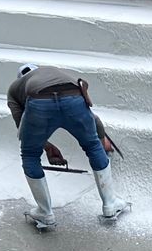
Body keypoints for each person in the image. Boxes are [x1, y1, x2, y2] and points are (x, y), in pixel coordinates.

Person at [7, 64, 128, 230]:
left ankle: (45, 213)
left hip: (39, 103)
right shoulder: (54, 72)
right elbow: (95, 120)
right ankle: (110, 205)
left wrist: (46, 147)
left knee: (30, 155)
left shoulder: (15, 89)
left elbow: (22, 129)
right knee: (93, 147)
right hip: (73, 97)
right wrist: (101, 141)